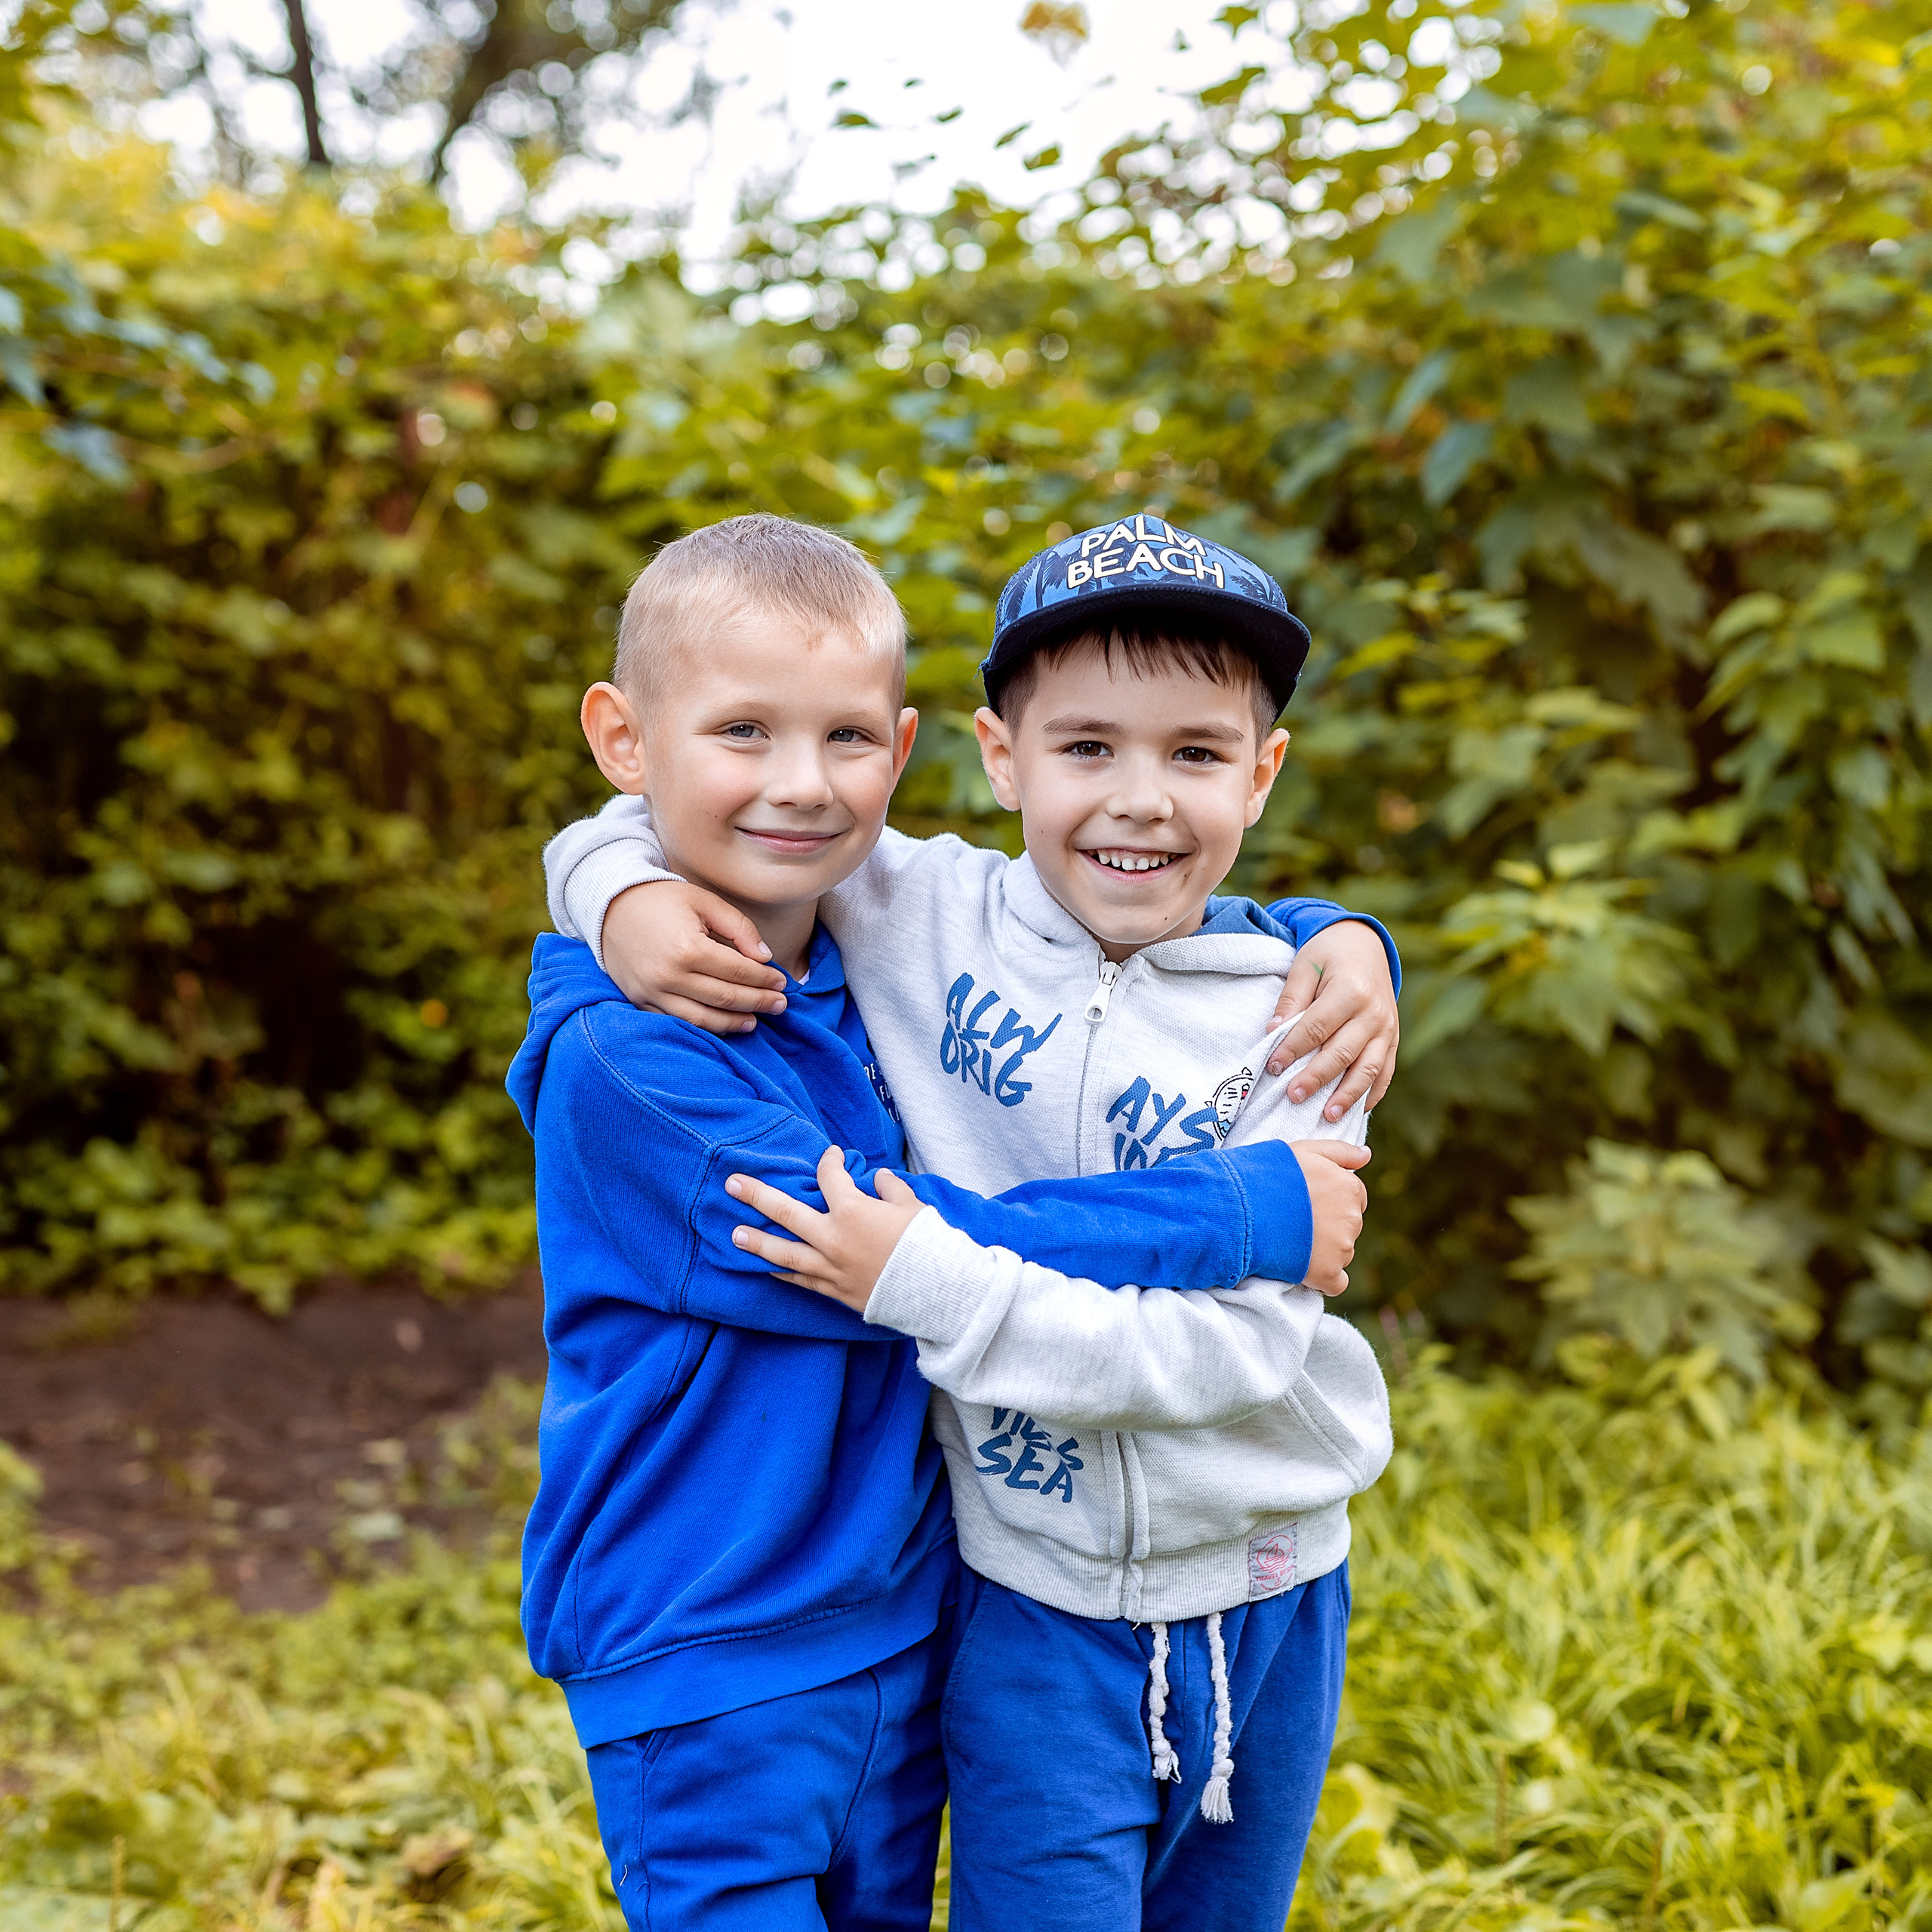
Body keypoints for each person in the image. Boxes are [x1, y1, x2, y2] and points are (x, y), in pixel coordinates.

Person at [509, 513, 1395, 1932]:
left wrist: (1346, 933)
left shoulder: (897, 955)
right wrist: (1237, 1211)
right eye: (1088, 747)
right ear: (1000, 757)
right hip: (721, 1630)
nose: (802, 785)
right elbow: (879, 1247)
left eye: (1194, 755)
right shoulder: (666, 1040)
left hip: (933, 1597)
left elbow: (919, 1247)